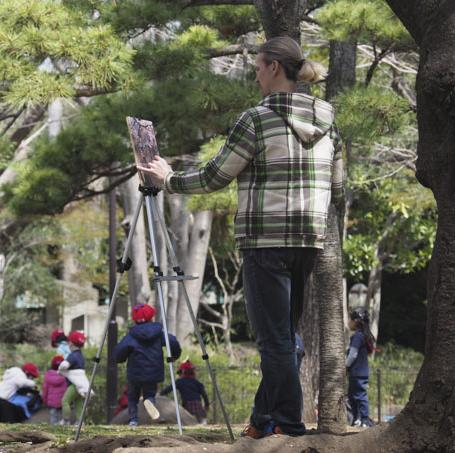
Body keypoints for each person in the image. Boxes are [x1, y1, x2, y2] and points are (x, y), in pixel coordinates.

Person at [137, 36, 345, 438]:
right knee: (283, 337)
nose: (254, 77)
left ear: (273, 68)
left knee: (273, 341)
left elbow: (216, 175)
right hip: (308, 240)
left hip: (265, 241)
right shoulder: (328, 118)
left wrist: (169, 180)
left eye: (256, 69)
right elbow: (339, 187)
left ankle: (288, 426)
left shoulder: (257, 119)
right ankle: (263, 421)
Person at [114, 303, 181, 426]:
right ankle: (149, 401)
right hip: (153, 371)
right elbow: (172, 341)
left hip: (135, 372)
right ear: (151, 317)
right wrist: (175, 355)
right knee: (149, 393)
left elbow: (119, 350)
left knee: (132, 396)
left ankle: (133, 420)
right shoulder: (158, 334)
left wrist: (120, 359)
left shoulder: (132, 336)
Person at [346, 307, 378, 428]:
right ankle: (356, 418)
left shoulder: (357, 336)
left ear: (355, 321)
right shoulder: (362, 336)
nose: (348, 322)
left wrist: (346, 366)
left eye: (350, 319)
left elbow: (353, 354)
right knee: (353, 396)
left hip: (357, 372)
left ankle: (364, 419)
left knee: (360, 396)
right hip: (358, 372)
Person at [160, 360, 210, 424]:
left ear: (183, 372)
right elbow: (204, 394)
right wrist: (207, 404)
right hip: (198, 404)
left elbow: (169, 389)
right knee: (202, 419)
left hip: (187, 404)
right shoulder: (197, 382)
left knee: (186, 420)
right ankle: (204, 424)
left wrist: (161, 394)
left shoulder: (180, 381)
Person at [58, 331, 89, 425]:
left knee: (65, 401)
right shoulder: (81, 356)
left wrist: (60, 368)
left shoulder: (73, 355)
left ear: (70, 343)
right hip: (82, 383)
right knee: (78, 402)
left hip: (75, 384)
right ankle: (80, 421)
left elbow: (64, 365)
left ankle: (66, 421)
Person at [42, 355, 68, 425]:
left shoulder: (48, 376)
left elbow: (44, 390)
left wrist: (45, 401)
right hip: (64, 402)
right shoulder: (66, 376)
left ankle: (52, 431)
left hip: (52, 403)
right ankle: (64, 431)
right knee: (64, 418)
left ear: (52, 365)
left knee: (53, 417)